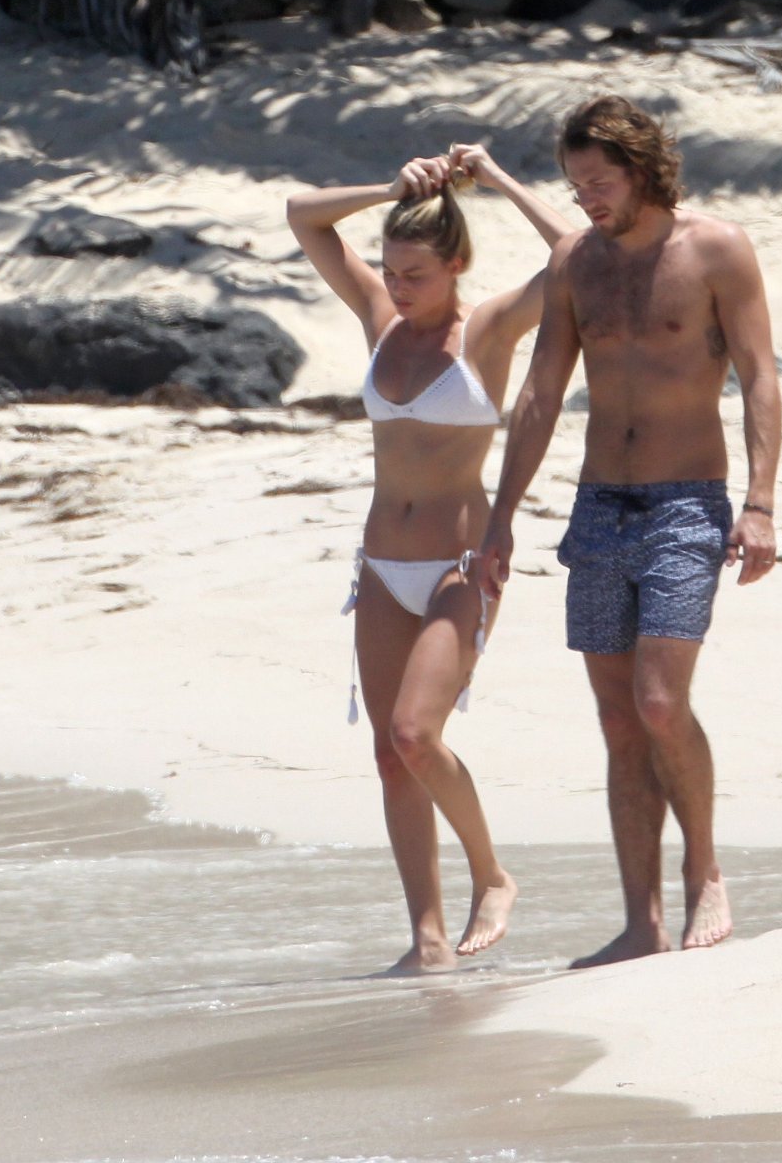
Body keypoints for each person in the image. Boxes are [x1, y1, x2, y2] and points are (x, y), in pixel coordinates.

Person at [477, 95, 782, 969]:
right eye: (575, 186)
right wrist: (501, 518)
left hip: (689, 503)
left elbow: (759, 376)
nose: (586, 201)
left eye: (599, 183)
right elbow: (541, 393)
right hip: (600, 505)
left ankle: (705, 868)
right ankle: (640, 921)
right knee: (618, 722)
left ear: (643, 170)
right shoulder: (576, 261)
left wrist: (760, 504)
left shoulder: (718, 249)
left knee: (658, 702)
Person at [286, 144, 575, 974]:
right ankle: (427, 941)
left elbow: (573, 254)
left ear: (456, 265)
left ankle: (494, 876)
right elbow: (303, 215)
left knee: (417, 734)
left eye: (415, 273)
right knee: (389, 755)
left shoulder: (489, 329)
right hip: (381, 566)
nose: (399, 285)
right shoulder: (380, 318)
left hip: (459, 566)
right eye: (390, 269)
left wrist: (500, 181)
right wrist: (388, 187)